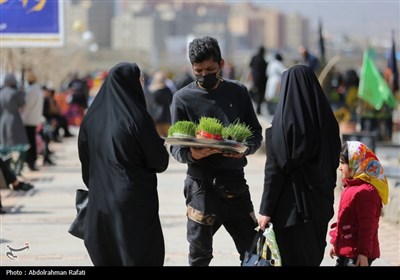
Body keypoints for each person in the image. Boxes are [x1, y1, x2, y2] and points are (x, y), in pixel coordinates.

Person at [170, 36, 263, 266]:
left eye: (210, 69)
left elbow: (256, 134)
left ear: (221, 64)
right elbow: (175, 146)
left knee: (254, 251)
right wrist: (193, 154)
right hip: (200, 188)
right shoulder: (182, 98)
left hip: (235, 185)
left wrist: (244, 150)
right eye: (198, 70)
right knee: (200, 254)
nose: (204, 74)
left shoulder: (238, 92)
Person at [77, 62, 169, 266]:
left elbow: (86, 163)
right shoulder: (138, 118)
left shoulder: (90, 118)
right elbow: (159, 161)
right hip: (133, 203)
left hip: (100, 202)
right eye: (140, 81)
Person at [258, 65, 341, 266]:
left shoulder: (282, 128)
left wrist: (265, 210)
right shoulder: (328, 124)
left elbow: (274, 171)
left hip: (290, 214)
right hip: (319, 209)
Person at [329, 141, 388, 267]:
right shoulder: (351, 187)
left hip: (357, 255)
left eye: (343, 163)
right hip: (347, 252)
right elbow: (343, 221)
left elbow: (367, 227)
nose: (339, 167)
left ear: (355, 163)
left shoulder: (366, 193)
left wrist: (363, 253)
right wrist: (337, 244)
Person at [145, 71, 174, 137]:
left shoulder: (149, 90)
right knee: (166, 137)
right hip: (164, 117)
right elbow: (171, 99)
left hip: (152, 117)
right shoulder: (166, 90)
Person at [249, 46, 268, 115]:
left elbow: (250, 66)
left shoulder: (254, 58)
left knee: (255, 92)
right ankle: (258, 108)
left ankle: (255, 106)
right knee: (260, 94)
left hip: (255, 79)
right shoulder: (263, 60)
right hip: (262, 80)